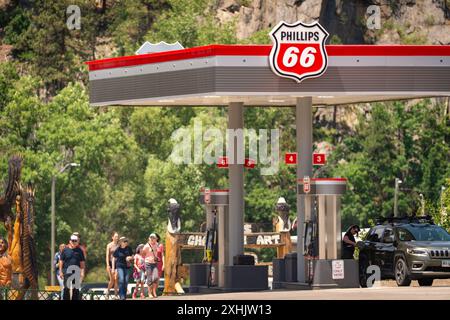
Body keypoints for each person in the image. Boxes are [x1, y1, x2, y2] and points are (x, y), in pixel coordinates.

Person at [59, 234, 85, 300]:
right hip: (66, 271)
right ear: (69, 241)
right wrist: (60, 271)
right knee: (66, 288)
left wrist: (82, 272)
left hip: (76, 271)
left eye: (75, 240)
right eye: (72, 240)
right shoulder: (65, 250)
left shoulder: (80, 251)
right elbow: (61, 261)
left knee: (76, 288)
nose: (73, 242)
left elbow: (82, 262)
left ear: (77, 241)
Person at [142, 233, 160, 298]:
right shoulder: (146, 246)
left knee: (156, 277)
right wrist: (146, 259)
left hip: (154, 263)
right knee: (149, 278)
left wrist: (157, 258)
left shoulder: (157, 244)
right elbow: (143, 254)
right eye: (151, 238)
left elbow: (157, 252)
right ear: (149, 239)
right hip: (148, 263)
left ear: (156, 239)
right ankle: (150, 293)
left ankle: (154, 292)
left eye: (153, 238)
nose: (152, 239)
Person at [105, 231, 119, 299]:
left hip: (117, 264)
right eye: (115, 236)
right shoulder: (109, 245)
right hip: (110, 264)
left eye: (117, 236)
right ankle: (107, 292)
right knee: (112, 280)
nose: (117, 238)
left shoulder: (119, 245)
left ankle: (116, 295)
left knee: (116, 279)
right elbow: (107, 256)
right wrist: (108, 265)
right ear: (112, 237)